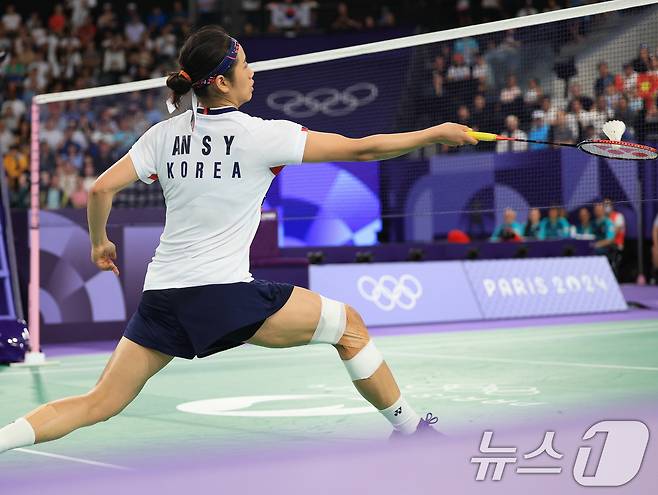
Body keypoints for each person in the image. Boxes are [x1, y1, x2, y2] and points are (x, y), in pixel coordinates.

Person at [0, 26, 478, 454]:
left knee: (98, 402)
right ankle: (411, 429)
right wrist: (433, 133)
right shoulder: (262, 136)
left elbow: (101, 188)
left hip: (163, 296)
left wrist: (99, 244)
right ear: (223, 82)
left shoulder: (161, 137)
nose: (254, 72)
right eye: (246, 65)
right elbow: (362, 149)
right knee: (348, 327)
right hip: (222, 293)